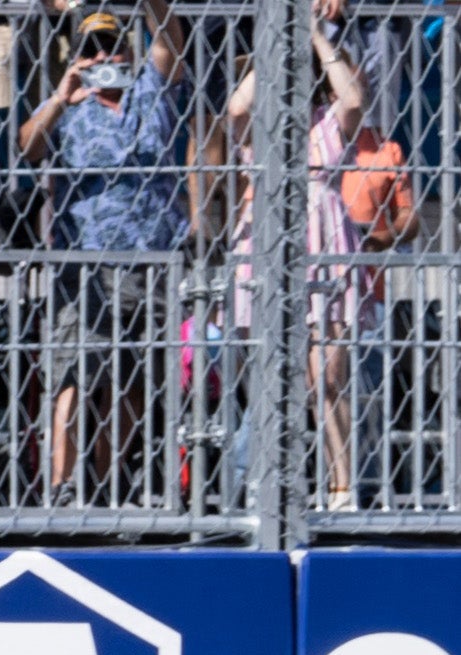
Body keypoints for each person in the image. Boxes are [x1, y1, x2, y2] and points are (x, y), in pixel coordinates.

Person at [22, 0, 183, 503]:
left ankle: (109, 476)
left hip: (152, 256)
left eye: (110, 45)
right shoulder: (71, 106)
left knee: (134, 376)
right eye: (91, 46)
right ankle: (62, 483)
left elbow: (170, 37)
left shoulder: (149, 90)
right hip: (85, 259)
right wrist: (60, 97)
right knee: (73, 370)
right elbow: (27, 146)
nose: (101, 55)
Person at [223, 0, 376, 508]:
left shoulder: (329, 122)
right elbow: (237, 109)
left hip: (324, 240)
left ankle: (341, 484)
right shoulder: (261, 130)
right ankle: (268, 486)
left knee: (325, 375)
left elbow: (354, 99)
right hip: (266, 237)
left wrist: (312, 35)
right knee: (268, 372)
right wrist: (270, 51)